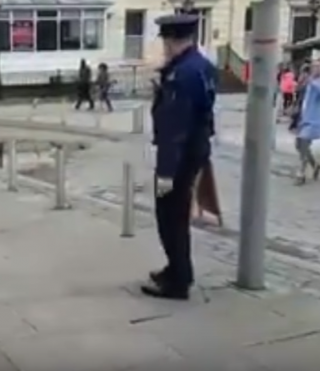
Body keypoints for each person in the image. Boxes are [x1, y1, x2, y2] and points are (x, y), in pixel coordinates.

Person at [142, 13, 216, 300]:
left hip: (181, 155)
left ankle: (178, 280)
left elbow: (175, 126)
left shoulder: (182, 74)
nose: (164, 47)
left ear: (173, 40)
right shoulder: (201, 66)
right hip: (195, 149)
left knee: (170, 217)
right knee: (176, 215)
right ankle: (176, 270)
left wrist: (166, 172)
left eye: (166, 41)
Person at [294, 59, 320, 185]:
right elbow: (300, 93)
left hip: (316, 119)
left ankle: (301, 174)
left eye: (317, 67)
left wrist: (312, 83)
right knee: (299, 145)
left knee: (303, 143)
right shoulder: (310, 80)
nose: (314, 69)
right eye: (313, 67)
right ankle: (315, 165)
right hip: (305, 117)